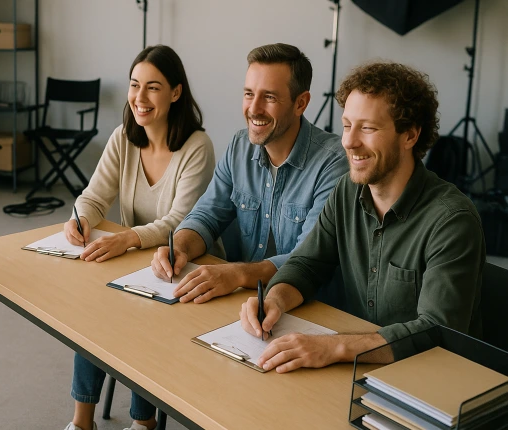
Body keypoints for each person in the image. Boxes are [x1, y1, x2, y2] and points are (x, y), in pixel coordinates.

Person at [240, 62, 485, 373]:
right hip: (358, 369)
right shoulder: (348, 190)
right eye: (347, 125)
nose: (349, 141)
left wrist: (334, 347)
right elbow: (307, 265)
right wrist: (275, 300)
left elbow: (436, 331)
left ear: (410, 135)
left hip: (427, 378)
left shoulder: (452, 220)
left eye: (367, 128)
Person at [63, 45, 215, 430]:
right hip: (137, 261)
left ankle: (143, 424)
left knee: (143, 319)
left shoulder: (197, 146)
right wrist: (80, 219)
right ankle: (81, 423)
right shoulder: (123, 138)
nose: (139, 97)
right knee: (94, 309)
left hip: (185, 265)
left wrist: (128, 238)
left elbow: (181, 221)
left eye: (153, 87)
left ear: (175, 92)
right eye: (134, 85)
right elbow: (94, 197)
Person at [150, 43, 347, 304]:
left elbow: (307, 259)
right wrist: (179, 247)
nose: (254, 109)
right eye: (248, 94)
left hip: (307, 308)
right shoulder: (239, 146)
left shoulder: (334, 163)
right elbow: (207, 216)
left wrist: (238, 274)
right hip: (243, 301)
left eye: (269, 97)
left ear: (301, 103)